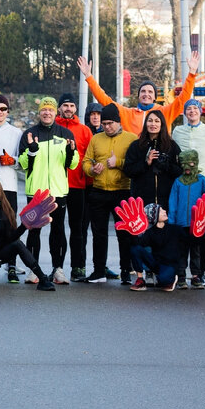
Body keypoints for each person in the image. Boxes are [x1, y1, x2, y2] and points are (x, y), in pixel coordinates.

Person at [18, 96, 78, 284]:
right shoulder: (29, 134)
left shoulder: (66, 134)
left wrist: (70, 153)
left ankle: (58, 269)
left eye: (50, 109)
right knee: (34, 231)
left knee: (58, 230)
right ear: (39, 112)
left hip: (58, 192)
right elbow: (23, 164)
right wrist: (32, 150)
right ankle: (33, 271)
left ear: (56, 112)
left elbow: (73, 164)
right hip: (36, 192)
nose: (47, 113)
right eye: (44, 109)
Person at [76, 50, 200, 135]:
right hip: (135, 160)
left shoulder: (164, 112)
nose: (146, 94)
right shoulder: (127, 113)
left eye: (150, 92)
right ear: (139, 96)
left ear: (154, 97)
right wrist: (88, 76)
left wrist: (192, 73)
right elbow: (105, 100)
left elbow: (183, 99)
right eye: (143, 91)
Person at [82, 103, 138, 284]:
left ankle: (126, 271)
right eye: (104, 124)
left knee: (125, 234)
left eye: (110, 123)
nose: (107, 127)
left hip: (122, 191)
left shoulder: (131, 139)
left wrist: (118, 162)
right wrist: (92, 170)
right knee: (98, 234)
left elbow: (136, 164)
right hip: (98, 191)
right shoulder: (96, 139)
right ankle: (99, 271)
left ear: (118, 122)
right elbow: (86, 162)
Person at [0, 179, 57, 292]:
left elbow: (10, 238)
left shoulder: (6, 211)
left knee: (18, 244)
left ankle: (42, 278)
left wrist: (24, 226)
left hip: (1, 252)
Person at [54, 93, 94, 282]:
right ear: (59, 108)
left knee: (78, 228)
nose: (68, 109)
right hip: (57, 185)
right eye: (65, 105)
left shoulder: (84, 130)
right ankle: (57, 266)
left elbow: (90, 157)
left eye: (71, 105)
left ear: (76, 108)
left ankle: (78, 266)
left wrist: (89, 182)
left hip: (78, 186)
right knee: (57, 228)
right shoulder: (53, 128)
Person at [0, 94, 24, 281]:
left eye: (3, 109)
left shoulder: (16, 133)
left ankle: (11, 264)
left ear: (8, 111)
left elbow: (23, 161)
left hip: (9, 185)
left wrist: (13, 161)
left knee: (10, 225)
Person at [167, 150, 205, 289]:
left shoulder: (202, 181)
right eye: (184, 164)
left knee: (196, 250)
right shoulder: (178, 182)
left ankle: (196, 275)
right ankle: (181, 276)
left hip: (197, 224)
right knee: (182, 251)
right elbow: (173, 203)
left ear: (195, 163)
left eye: (190, 164)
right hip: (181, 224)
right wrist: (172, 223)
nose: (187, 167)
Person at [123, 110, 182, 207]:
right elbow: (128, 171)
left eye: (157, 121)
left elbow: (180, 171)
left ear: (162, 124)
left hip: (166, 200)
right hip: (141, 201)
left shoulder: (171, 146)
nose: (153, 124)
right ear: (145, 123)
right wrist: (146, 163)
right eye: (150, 121)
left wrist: (166, 165)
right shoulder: (136, 145)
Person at [128, 204, 180, 292]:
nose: (165, 211)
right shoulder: (150, 232)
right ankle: (140, 280)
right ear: (154, 216)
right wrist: (134, 231)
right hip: (157, 264)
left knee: (163, 281)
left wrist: (197, 231)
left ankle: (172, 278)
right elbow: (138, 244)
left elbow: (190, 241)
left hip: (170, 265)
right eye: (161, 210)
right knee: (135, 249)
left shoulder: (175, 229)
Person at [170, 100, 205, 181]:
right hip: (183, 179)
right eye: (189, 109)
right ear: (185, 113)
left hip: (204, 179)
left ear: (200, 111)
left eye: (195, 108)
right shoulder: (177, 131)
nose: (192, 111)